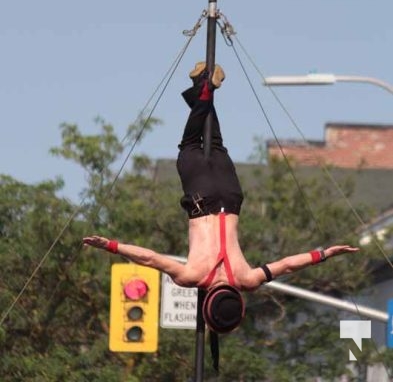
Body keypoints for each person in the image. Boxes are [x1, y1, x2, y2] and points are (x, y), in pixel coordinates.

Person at [83, 63, 359, 334]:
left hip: (231, 197)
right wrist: (112, 245)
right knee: (190, 145)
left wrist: (324, 253)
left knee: (214, 143)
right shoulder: (192, 277)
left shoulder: (247, 279)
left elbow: (287, 264)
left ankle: (200, 86)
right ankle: (205, 88)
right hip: (202, 199)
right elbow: (150, 259)